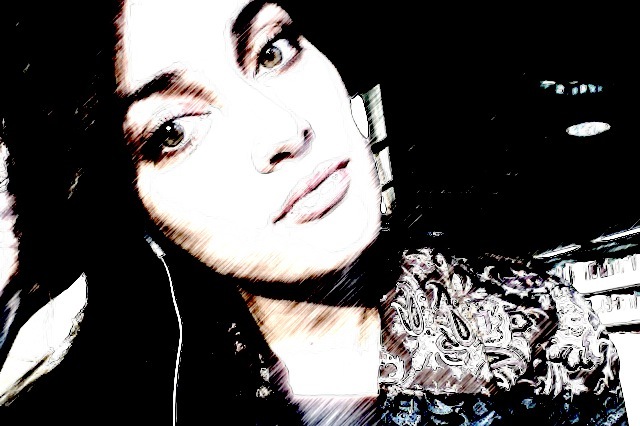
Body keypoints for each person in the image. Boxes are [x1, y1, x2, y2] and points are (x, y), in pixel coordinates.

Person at [0, 1, 629, 425]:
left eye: (272, 51)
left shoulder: (537, 329)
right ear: (131, 208)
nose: (283, 127)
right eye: (174, 130)